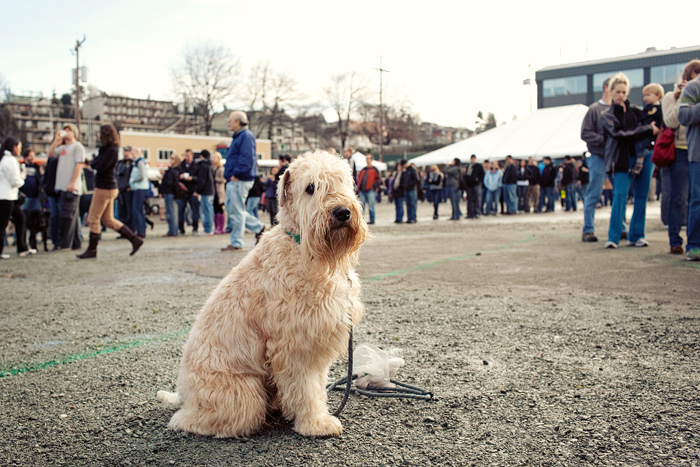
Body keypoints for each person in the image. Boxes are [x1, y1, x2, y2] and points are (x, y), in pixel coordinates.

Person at [602, 72, 658, 249]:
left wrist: (648, 128)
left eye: (624, 92)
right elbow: (619, 135)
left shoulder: (636, 111)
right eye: (617, 92)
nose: (621, 95)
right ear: (611, 91)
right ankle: (613, 237)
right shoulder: (607, 115)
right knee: (619, 197)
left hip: (643, 157)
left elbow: (652, 126)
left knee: (641, 196)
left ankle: (637, 235)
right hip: (621, 160)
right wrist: (647, 129)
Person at [76, 124, 143, 259]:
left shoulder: (111, 150)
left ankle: (92, 250)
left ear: (105, 134)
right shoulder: (106, 149)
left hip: (105, 188)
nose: (98, 135)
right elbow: (96, 164)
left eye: (100, 133)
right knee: (108, 220)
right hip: (107, 187)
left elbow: (99, 166)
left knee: (93, 218)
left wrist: (95, 163)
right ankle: (135, 240)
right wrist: (96, 163)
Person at [662, 60, 700, 255]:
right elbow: (671, 120)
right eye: (695, 73)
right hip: (680, 150)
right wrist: (680, 98)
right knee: (679, 197)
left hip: (693, 148)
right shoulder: (673, 95)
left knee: (693, 197)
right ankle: (677, 240)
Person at [221, 111, 265, 251]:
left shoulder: (245, 136)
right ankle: (259, 228)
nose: (229, 123)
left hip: (240, 179)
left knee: (237, 211)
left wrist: (236, 174)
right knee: (235, 210)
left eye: (231, 120)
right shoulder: (240, 136)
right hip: (237, 179)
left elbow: (246, 158)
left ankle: (237, 242)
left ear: (238, 121)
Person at [581, 76, 612, 242]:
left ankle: (620, 227)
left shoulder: (619, 109)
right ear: (606, 87)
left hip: (615, 157)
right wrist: (604, 139)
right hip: (598, 157)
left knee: (618, 194)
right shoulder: (594, 109)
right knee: (594, 192)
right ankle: (588, 229)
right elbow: (585, 133)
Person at [48, 123, 85, 251]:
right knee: (72, 215)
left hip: (71, 186)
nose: (66, 132)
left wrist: (72, 182)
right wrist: (57, 140)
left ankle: (66, 243)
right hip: (62, 185)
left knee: (67, 215)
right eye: (65, 130)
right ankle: (76, 243)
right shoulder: (63, 147)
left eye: (69, 130)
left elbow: (79, 165)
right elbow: (51, 154)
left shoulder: (77, 147)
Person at [678, 66, 700, 261]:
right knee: (697, 201)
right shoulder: (694, 87)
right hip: (698, 156)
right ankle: (693, 245)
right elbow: (683, 116)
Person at [0, 137, 33, 258]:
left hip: (7, 196)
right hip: (6, 196)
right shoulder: (10, 160)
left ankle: (22, 247)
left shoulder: (5, 159)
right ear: (14, 147)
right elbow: (15, 181)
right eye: (19, 147)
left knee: (20, 219)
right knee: (3, 224)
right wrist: (22, 180)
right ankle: (20, 247)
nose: (20, 150)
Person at [632, 83, 665, 176]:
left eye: (648, 95)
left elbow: (662, 120)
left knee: (643, 145)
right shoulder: (646, 108)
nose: (645, 98)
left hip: (653, 135)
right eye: (644, 95)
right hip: (645, 132)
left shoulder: (659, 108)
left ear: (658, 95)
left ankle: (639, 163)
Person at [178, 149, 199, 235]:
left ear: (192, 155)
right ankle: (181, 229)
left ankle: (195, 227)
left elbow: (199, 178)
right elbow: (177, 176)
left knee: (194, 209)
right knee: (181, 210)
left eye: (188, 155)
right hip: (183, 191)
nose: (186, 157)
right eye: (185, 155)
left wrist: (192, 178)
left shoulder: (196, 166)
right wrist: (181, 176)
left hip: (192, 190)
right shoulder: (181, 165)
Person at [129, 148, 149, 239]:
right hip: (139, 188)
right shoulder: (138, 162)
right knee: (139, 210)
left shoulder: (139, 163)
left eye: (133, 154)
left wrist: (133, 181)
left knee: (136, 210)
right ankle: (141, 230)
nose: (132, 156)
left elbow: (142, 176)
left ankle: (140, 231)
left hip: (140, 188)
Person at [160, 153, 182, 237]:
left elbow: (169, 182)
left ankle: (172, 230)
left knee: (171, 212)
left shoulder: (173, 170)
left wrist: (165, 175)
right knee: (171, 212)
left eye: (172, 158)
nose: (170, 160)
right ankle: (173, 230)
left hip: (170, 192)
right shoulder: (173, 170)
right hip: (169, 192)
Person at [356, 153, 380, 224]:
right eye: (366, 158)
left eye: (369, 158)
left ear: (372, 160)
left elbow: (378, 180)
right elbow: (360, 179)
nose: (367, 160)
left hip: (370, 190)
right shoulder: (363, 170)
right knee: (361, 207)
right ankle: (361, 220)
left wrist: (374, 187)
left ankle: (372, 220)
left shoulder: (374, 169)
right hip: (362, 191)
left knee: (371, 206)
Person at [196, 150, 215, 236]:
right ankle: (209, 229)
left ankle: (207, 229)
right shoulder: (210, 165)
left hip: (205, 191)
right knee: (209, 210)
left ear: (201, 156)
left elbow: (202, 180)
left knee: (206, 211)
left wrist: (197, 191)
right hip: (211, 190)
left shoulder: (203, 166)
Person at [115, 146, 133, 229]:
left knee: (129, 210)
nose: (126, 153)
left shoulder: (132, 163)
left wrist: (129, 186)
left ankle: (130, 228)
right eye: (125, 151)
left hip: (127, 189)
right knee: (121, 211)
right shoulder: (119, 163)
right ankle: (123, 229)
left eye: (128, 151)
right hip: (120, 189)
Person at [463, 154, 484, 219]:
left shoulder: (479, 166)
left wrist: (478, 180)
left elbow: (482, 174)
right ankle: (470, 213)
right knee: (470, 200)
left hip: (476, 185)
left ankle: (477, 212)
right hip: (469, 185)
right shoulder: (468, 166)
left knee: (477, 199)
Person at [211, 151, 227, 234]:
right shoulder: (212, 168)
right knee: (215, 210)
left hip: (219, 192)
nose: (213, 159)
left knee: (220, 209)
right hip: (213, 191)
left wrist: (215, 179)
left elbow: (224, 180)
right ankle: (216, 227)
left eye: (215, 157)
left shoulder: (221, 169)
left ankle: (221, 228)